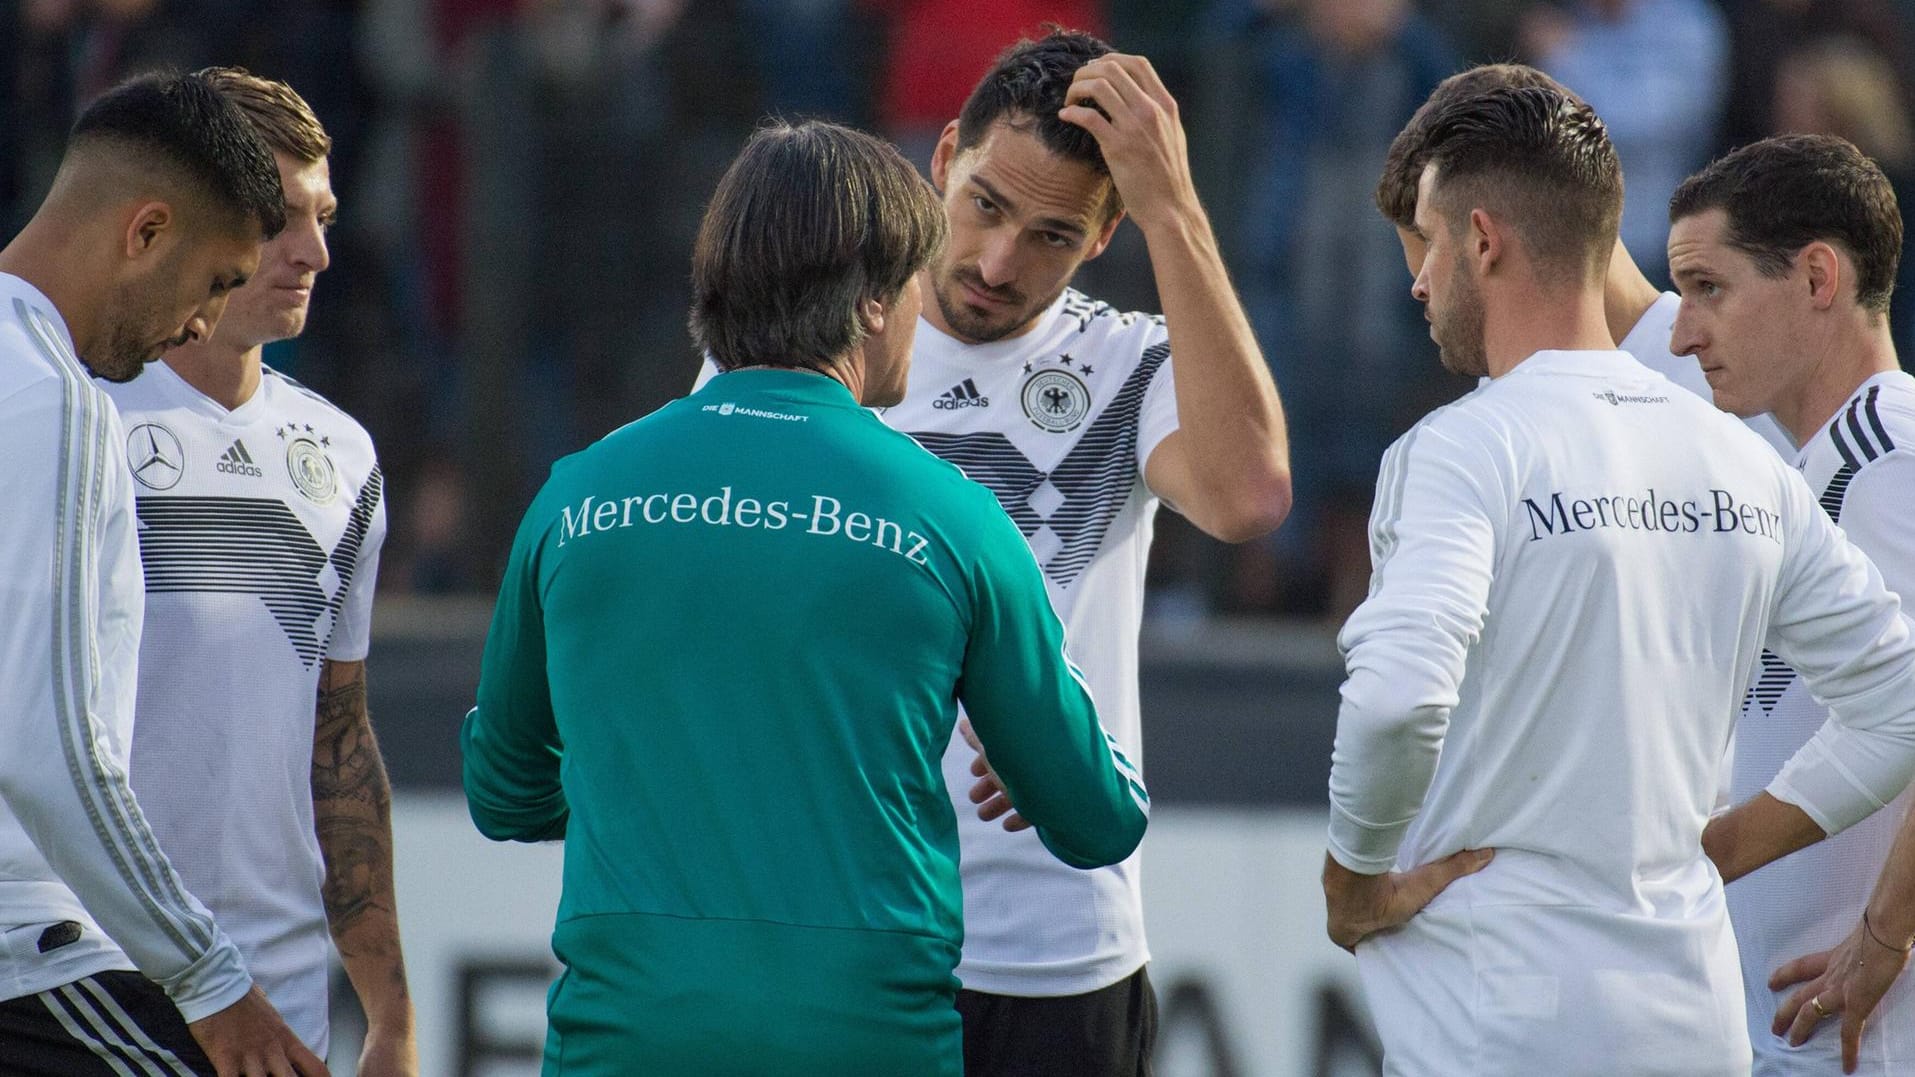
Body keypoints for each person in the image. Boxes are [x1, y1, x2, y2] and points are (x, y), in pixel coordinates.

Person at [462, 119, 1149, 1077]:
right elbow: (1101, 817)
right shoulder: (954, 518)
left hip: (626, 1035)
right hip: (867, 1040)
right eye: (914, 281)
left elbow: (503, 791)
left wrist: (656, 793)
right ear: (873, 302)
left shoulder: (577, 495)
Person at [700, 30, 1291, 1073]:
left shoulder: (1125, 364)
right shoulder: (799, 342)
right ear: (940, 163)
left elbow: (1247, 498)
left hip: (1055, 952)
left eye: (1054, 235)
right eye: (984, 205)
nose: (996, 262)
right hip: (840, 933)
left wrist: (1175, 208)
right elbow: (712, 588)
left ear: (1105, 237)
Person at [1322, 85, 1915, 1076]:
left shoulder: (1877, 447)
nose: (1417, 286)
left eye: (1709, 288)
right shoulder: (1752, 463)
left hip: (1557, 1018)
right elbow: (1895, 701)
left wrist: (1353, 880)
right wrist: (1707, 856)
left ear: (1479, 239)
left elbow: (1393, 703)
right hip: (1705, 1008)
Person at [0, 70, 329, 1076]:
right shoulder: (52, 400)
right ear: (144, 234)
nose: (200, 323)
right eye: (221, 280)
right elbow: (47, 745)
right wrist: (212, 985)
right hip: (30, 968)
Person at [100, 69, 412, 1073]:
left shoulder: (342, 454)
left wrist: (391, 1007)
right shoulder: (71, 416)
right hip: (95, 978)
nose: (316, 251)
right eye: (281, 220)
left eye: (323, 216)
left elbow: (338, 737)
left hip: (282, 997)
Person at [1666, 134, 1915, 1076]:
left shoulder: (1882, 453)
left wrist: (1884, 937)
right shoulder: (1816, 469)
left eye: (1708, 289)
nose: (1685, 333)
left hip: (1868, 1043)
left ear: (1817, 276)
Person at [1373, 61, 1793, 455]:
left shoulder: (1734, 392)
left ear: (1490, 235)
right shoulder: (1488, 422)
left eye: (1433, 244)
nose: (1421, 285)